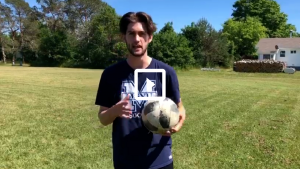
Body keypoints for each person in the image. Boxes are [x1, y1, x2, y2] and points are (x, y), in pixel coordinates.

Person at [95, 11, 186, 169]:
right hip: (125, 159)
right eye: (131, 33)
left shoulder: (166, 72)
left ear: (150, 37)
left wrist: (177, 125)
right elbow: (103, 118)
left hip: (159, 158)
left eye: (142, 34)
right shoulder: (111, 74)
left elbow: (180, 108)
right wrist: (115, 111)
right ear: (124, 37)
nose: (137, 39)